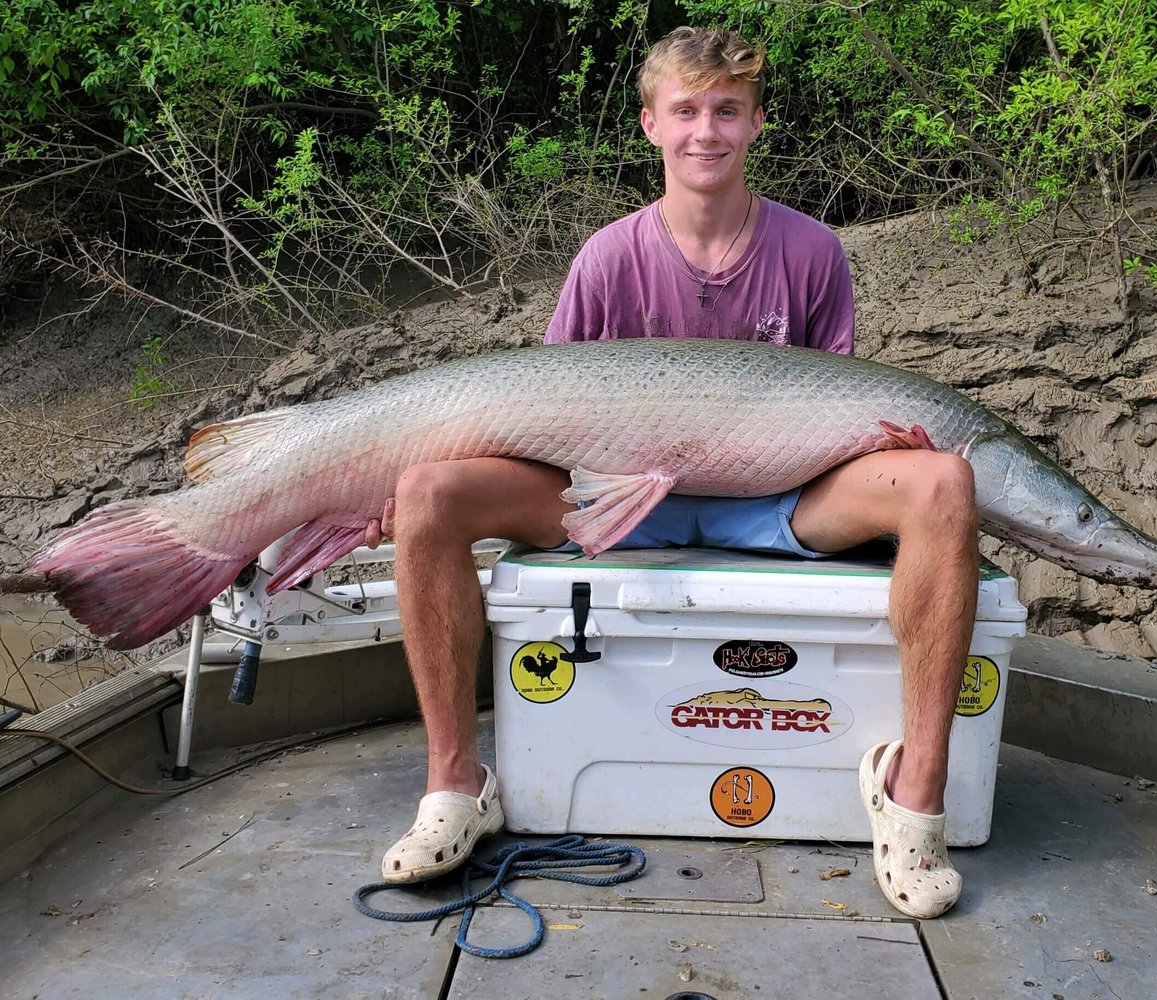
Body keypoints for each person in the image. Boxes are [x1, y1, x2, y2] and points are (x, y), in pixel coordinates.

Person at [369, 26, 979, 920]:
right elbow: (545, 414)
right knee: (425, 492)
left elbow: (835, 408)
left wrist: (892, 448)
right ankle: (455, 785)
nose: (706, 131)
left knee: (943, 482)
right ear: (651, 124)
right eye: (686, 110)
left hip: (776, 500)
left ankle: (913, 793)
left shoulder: (813, 252)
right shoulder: (606, 258)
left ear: (756, 123)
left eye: (726, 110)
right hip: (614, 501)